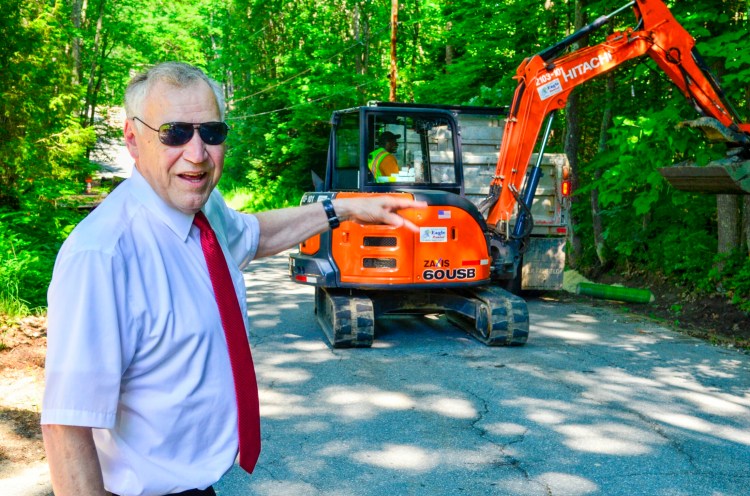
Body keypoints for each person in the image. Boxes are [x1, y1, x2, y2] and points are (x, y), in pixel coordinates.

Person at [41, 61, 425, 496]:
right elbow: (66, 424)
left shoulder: (204, 207)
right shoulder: (103, 255)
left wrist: (344, 209)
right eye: (175, 133)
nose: (197, 153)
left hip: (201, 486)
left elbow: (254, 235)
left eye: (212, 133)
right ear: (133, 137)